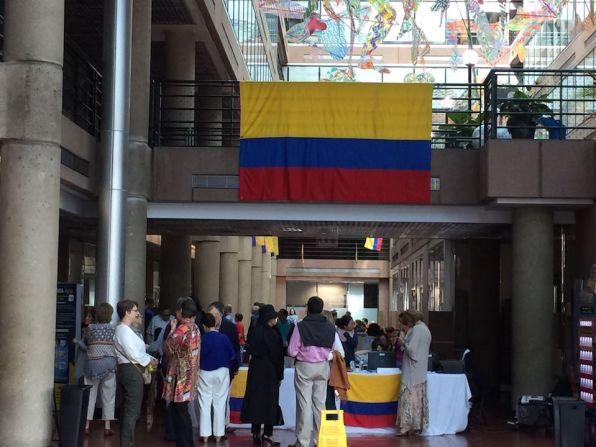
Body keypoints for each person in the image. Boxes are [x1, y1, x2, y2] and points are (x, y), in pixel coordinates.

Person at [287, 296, 345, 447]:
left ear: (307, 309)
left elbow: (292, 351)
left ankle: (303, 441)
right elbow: (336, 350)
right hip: (323, 367)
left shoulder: (300, 326)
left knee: (304, 405)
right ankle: (321, 440)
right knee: (320, 405)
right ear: (321, 308)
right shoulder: (330, 327)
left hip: (305, 367)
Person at [113, 300, 158, 447]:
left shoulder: (125, 330)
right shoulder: (123, 330)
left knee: (130, 408)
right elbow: (133, 354)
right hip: (131, 371)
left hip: (129, 370)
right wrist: (150, 360)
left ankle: (127, 442)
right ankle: (127, 443)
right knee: (132, 410)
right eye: (134, 310)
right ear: (126, 312)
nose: (137, 312)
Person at [241, 304, 284, 446]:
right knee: (270, 401)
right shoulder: (273, 332)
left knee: (255, 401)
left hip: (255, 370)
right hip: (270, 371)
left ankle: (255, 432)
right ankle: (268, 434)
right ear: (269, 318)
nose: (276, 319)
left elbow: (249, 349)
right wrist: (280, 374)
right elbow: (277, 355)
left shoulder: (254, 330)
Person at [162, 297, 200, 447]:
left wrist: (171, 331)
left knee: (180, 412)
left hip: (180, 375)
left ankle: (184, 443)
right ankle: (188, 442)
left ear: (181, 311)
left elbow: (168, 348)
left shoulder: (182, 329)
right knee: (184, 411)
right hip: (190, 372)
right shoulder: (195, 327)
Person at [198, 312, 235, 443]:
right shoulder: (224, 338)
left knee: (205, 403)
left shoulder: (202, 338)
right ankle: (219, 435)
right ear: (215, 323)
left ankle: (205, 435)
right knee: (220, 403)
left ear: (204, 326)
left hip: (205, 372)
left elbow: (197, 357)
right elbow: (231, 355)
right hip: (222, 371)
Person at [81, 303, 117, 436]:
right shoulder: (114, 329)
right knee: (109, 395)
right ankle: (107, 426)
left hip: (92, 365)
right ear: (110, 315)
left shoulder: (89, 328)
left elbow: (85, 344)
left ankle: (86, 425)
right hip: (109, 364)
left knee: (90, 395)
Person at [395, 309, 432, 436]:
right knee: (418, 398)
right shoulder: (425, 328)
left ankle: (406, 426)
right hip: (420, 369)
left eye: (403, 323)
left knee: (408, 397)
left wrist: (403, 341)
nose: (403, 327)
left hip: (412, 370)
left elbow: (412, 351)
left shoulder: (417, 330)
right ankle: (417, 425)